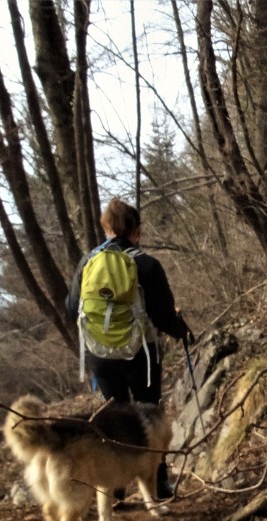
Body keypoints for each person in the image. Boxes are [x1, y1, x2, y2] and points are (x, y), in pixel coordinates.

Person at [66, 198, 189, 500]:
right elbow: (162, 316)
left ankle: (115, 489)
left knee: (114, 420)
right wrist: (182, 330)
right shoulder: (146, 264)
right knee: (149, 416)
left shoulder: (87, 262)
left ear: (105, 227)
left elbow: (71, 308)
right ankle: (158, 484)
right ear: (136, 230)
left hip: (101, 355)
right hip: (141, 355)